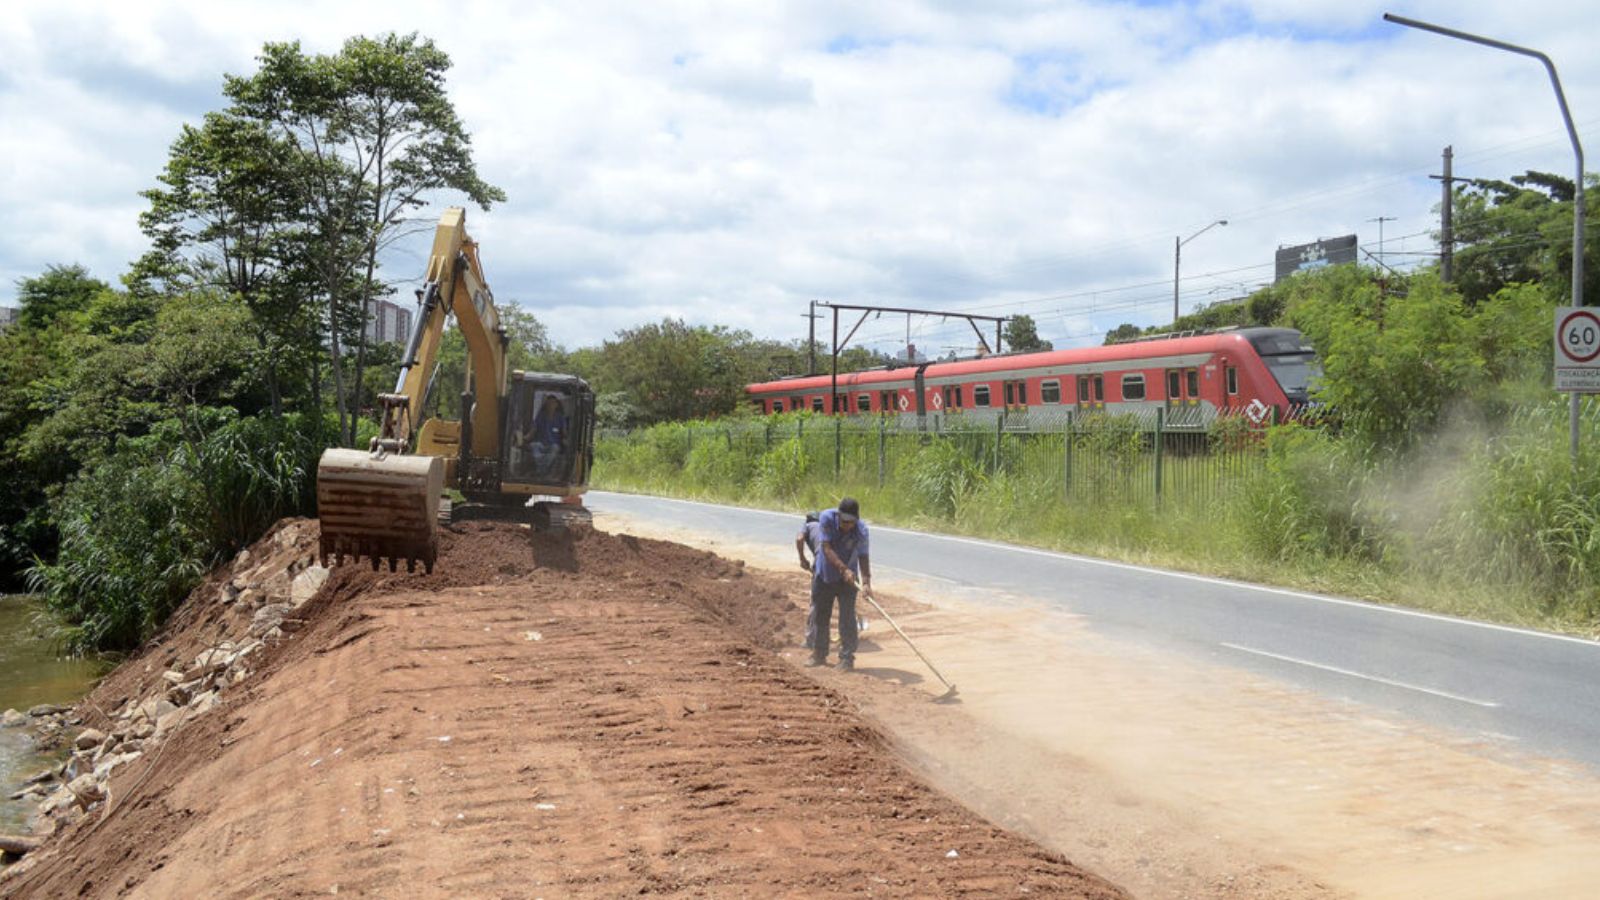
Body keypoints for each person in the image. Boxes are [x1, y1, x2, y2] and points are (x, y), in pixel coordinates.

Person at [808, 497, 870, 672]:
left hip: (848, 581)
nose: (847, 526)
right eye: (844, 521)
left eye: (851, 522)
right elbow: (826, 548)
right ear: (838, 516)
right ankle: (819, 653)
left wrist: (866, 582)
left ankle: (846, 658)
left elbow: (863, 556)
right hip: (825, 575)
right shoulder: (826, 518)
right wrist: (843, 569)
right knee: (821, 615)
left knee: (847, 619)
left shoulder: (862, 530)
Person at [518, 395, 567, 478]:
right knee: (534, 446)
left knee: (554, 449)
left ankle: (540, 471)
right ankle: (543, 471)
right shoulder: (541, 416)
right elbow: (533, 430)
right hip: (541, 443)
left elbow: (564, 432)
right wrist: (524, 438)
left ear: (556, 405)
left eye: (553, 403)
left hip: (553, 444)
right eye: (549, 403)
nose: (550, 405)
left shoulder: (560, 418)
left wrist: (567, 440)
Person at [796, 512, 821, 650]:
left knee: (816, 602)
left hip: (822, 564)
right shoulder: (828, 526)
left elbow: (799, 539)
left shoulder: (807, 525)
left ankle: (811, 640)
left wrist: (802, 559)